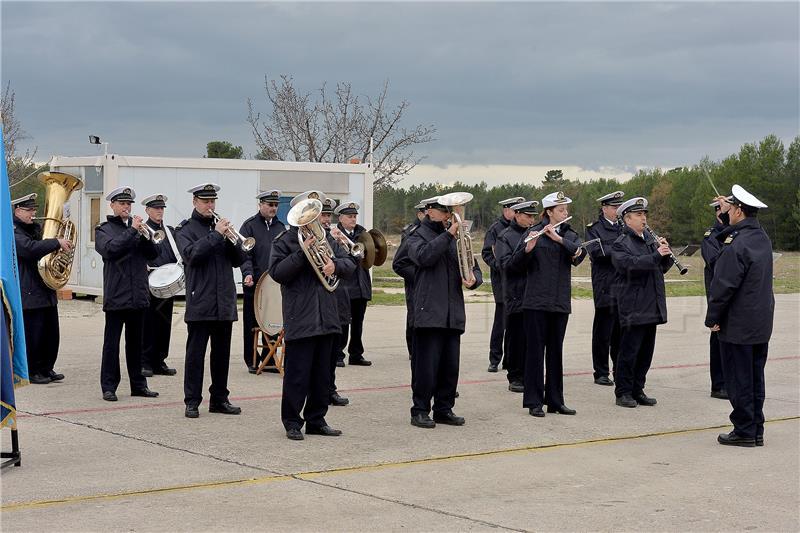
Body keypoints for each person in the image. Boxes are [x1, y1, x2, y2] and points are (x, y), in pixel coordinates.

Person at [269, 191, 357, 440]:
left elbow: (349, 264)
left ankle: (317, 419)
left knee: (322, 374)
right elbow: (277, 272)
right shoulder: (285, 240)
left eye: (314, 214)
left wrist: (334, 266)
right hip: (301, 316)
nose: (313, 219)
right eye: (307, 214)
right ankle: (292, 422)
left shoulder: (327, 237)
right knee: (298, 374)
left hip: (328, 316)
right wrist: (302, 253)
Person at [705, 185, 773, 448]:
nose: (728, 212)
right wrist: (725, 219)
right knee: (755, 377)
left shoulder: (737, 244)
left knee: (739, 378)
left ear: (740, 211)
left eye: (731, 209)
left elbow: (723, 286)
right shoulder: (761, 238)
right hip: (759, 322)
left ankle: (744, 430)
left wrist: (713, 318)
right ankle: (755, 428)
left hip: (738, 323)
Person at [406, 196, 482, 429]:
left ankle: (443, 408)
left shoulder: (457, 236)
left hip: (452, 311)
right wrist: (448, 234)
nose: (449, 214)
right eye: (444, 210)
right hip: (429, 309)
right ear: (430, 211)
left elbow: (473, 266)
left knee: (450, 367)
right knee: (426, 367)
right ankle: (420, 410)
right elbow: (424, 257)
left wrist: (473, 279)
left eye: (450, 210)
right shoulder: (416, 235)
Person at [510, 191, 584, 417]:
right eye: (561, 210)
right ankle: (534, 401)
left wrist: (559, 239)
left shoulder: (570, 234)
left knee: (555, 352)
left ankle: (555, 400)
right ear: (549, 212)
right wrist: (527, 250)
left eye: (566, 210)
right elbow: (514, 264)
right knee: (534, 352)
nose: (565, 213)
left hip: (559, 301)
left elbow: (579, 256)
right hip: (535, 302)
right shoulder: (533, 232)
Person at [176, 183, 246, 418]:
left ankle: (219, 399)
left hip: (224, 301)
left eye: (213, 201)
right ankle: (192, 400)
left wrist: (231, 239)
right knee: (195, 355)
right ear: (195, 202)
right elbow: (192, 256)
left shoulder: (222, 230)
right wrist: (216, 235)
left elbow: (238, 259)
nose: (210, 205)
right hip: (200, 301)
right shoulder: (185, 230)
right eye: (205, 201)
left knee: (221, 354)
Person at [95, 186, 159, 402]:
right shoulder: (103, 230)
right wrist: (132, 231)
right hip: (116, 296)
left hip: (138, 295)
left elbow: (153, 255)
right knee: (111, 344)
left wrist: (145, 237)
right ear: (112, 205)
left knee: (136, 344)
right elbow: (111, 250)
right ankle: (109, 386)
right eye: (122, 204)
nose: (126, 207)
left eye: (129, 204)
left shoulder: (138, 229)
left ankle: (139, 385)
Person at [611, 197, 672, 408]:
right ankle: (623, 392)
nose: (643, 218)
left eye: (644, 214)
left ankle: (638, 388)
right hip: (633, 306)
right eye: (638, 215)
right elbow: (631, 266)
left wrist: (665, 254)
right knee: (629, 352)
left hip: (651, 304)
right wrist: (656, 255)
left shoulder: (648, 239)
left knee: (646, 352)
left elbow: (659, 269)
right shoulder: (621, 243)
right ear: (627, 219)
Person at [12, 193, 72, 384]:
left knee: (51, 333)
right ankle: (33, 370)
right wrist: (55, 243)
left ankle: (47, 367)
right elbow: (29, 249)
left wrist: (59, 244)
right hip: (29, 290)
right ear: (17, 210)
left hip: (45, 289)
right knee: (34, 334)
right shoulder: (12, 231)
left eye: (34, 210)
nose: (33, 213)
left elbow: (43, 247)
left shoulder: (35, 228)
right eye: (29, 210)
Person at [239, 189, 287, 374]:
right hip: (255, 282)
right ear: (260, 205)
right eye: (270, 205)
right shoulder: (249, 226)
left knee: (274, 320)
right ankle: (252, 360)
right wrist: (247, 273)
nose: (273, 208)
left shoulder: (281, 228)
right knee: (252, 323)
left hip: (275, 284)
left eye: (275, 205)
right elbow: (245, 254)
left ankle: (270, 358)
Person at [494, 200, 537, 394]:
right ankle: (515, 376)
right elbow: (505, 264)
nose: (531, 219)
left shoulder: (534, 234)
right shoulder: (505, 237)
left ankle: (529, 374)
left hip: (534, 293)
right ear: (517, 215)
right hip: (514, 293)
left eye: (533, 216)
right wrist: (525, 251)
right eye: (528, 216)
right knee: (515, 337)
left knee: (531, 339)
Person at [585, 191, 625, 386]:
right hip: (605, 285)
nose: (618, 211)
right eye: (614, 207)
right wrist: (621, 251)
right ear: (604, 208)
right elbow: (597, 252)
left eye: (619, 207)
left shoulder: (624, 227)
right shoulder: (594, 229)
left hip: (623, 285)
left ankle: (620, 369)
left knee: (620, 331)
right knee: (603, 332)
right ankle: (600, 371)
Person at [481, 196, 525, 373]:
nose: (515, 214)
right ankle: (494, 358)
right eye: (513, 210)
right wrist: (499, 265)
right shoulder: (495, 229)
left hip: (519, 282)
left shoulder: (523, 229)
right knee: (501, 321)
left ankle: (510, 359)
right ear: (506, 211)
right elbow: (487, 253)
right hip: (502, 281)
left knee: (514, 323)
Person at [320, 197, 356, 407]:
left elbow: (352, 264)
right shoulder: (305, 239)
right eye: (323, 215)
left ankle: (330, 389)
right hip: (317, 304)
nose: (326, 220)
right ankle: (319, 390)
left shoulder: (334, 238)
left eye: (327, 216)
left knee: (333, 351)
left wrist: (341, 249)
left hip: (338, 300)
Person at [140, 194, 180, 378]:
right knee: (148, 324)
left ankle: (159, 360)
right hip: (149, 282)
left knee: (165, 323)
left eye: (162, 208)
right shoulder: (143, 230)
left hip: (167, 283)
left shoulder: (170, 231)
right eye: (155, 208)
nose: (159, 211)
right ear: (147, 210)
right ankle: (145, 361)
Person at [392, 199, 433, 360]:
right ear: (420, 214)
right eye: (426, 213)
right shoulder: (411, 232)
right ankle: (413, 348)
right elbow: (402, 263)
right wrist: (419, 277)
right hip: (415, 282)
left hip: (432, 284)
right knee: (414, 315)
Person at [334, 200, 372, 367]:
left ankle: (356, 354)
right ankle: (338, 354)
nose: (353, 219)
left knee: (358, 323)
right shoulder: (334, 234)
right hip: (344, 284)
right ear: (341, 218)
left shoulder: (363, 234)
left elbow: (371, 255)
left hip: (361, 283)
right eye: (349, 216)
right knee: (342, 322)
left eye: (355, 216)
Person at [700, 198, 730, 400]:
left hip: (737, 296)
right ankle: (718, 385)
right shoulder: (711, 236)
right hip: (718, 294)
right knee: (718, 339)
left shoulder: (738, 232)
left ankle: (730, 382)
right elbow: (717, 262)